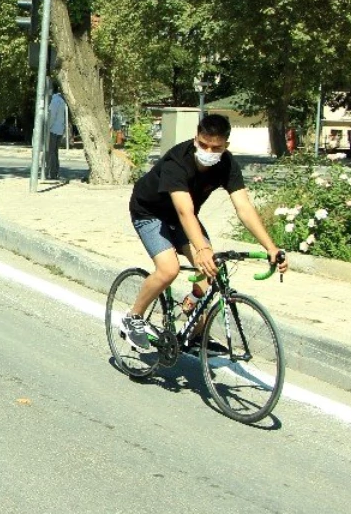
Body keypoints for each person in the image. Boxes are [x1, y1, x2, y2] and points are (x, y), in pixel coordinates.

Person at [122, 113, 288, 351]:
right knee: (169, 269)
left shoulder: (227, 164)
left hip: (182, 217)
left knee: (211, 270)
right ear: (195, 139)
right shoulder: (177, 162)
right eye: (203, 145)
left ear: (226, 146)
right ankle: (133, 318)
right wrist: (200, 249)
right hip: (150, 213)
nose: (208, 151)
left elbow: (244, 207)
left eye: (216, 147)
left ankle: (194, 330)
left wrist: (270, 247)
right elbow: (184, 211)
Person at [46, 86, 66, 181]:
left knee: (52, 152)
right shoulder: (61, 100)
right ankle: (55, 171)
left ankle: (52, 173)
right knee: (55, 152)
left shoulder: (54, 101)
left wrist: (47, 128)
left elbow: (51, 116)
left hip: (53, 129)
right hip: (60, 129)